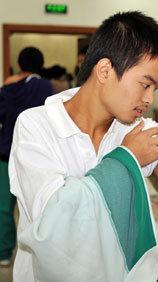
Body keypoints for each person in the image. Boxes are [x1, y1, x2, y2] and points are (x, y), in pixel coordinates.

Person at [9, 11, 158, 282]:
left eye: (155, 89)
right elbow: (51, 226)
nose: (149, 99)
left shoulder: (139, 131)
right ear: (104, 71)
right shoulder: (37, 126)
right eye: (145, 84)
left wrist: (154, 270)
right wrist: (127, 158)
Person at [0, 46, 53, 267]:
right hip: (33, 154)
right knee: (33, 203)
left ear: (19, 64)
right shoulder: (44, 86)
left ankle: (3, 253)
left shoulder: (7, 86)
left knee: (4, 206)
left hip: (4, 151)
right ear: (40, 65)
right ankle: (33, 255)